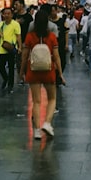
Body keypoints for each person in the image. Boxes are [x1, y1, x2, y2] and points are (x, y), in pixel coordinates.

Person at [20, 7, 66, 140]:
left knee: (36, 101)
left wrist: (22, 71)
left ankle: (36, 130)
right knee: (52, 99)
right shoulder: (51, 37)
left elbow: (24, 56)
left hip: (33, 70)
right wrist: (60, 73)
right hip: (48, 70)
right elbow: (57, 57)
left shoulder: (29, 36)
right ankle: (47, 123)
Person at [0, 6, 22, 93]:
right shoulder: (1, 24)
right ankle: (5, 78)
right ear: (2, 15)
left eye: (8, 13)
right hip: (3, 49)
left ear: (12, 14)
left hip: (11, 48)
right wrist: (0, 34)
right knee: (0, 65)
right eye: (5, 13)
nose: (7, 15)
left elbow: (18, 36)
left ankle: (10, 84)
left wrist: (20, 47)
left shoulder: (15, 24)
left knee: (11, 67)